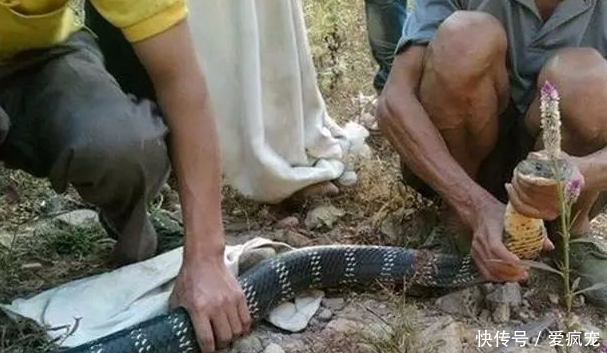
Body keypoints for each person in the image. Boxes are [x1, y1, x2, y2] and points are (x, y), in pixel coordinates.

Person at [0, 1, 249, 352]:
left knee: (126, 142)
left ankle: (134, 232)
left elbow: (182, 82)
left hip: (39, 52)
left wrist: (207, 257)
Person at [377, 0, 607, 308]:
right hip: (470, 163)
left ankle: (571, 231)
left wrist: (583, 172)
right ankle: (459, 223)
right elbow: (395, 100)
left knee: (586, 78)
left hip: (564, 177)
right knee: (465, 38)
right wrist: (473, 205)